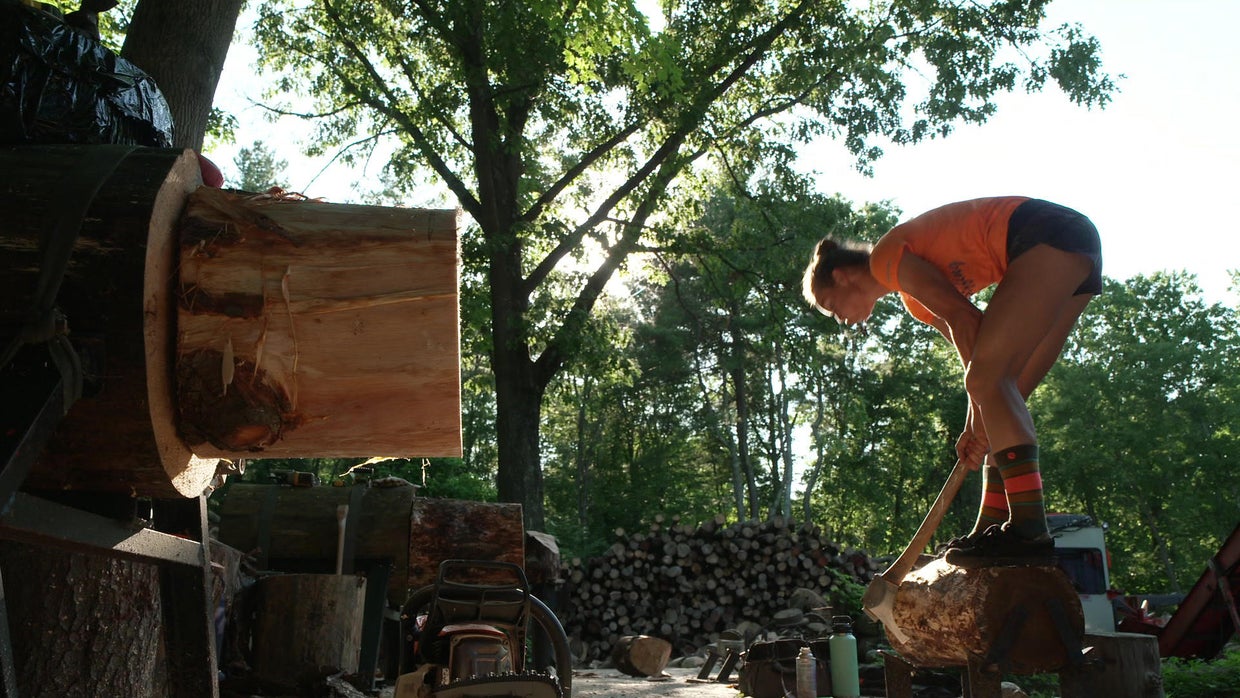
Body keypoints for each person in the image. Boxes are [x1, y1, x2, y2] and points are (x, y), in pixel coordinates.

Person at [801, 196, 1102, 567]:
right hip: (1073, 247)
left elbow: (967, 320)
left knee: (991, 389)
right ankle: (991, 526)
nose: (841, 320)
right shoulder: (916, 302)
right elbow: (970, 346)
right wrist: (973, 425)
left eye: (832, 306)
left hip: (1044, 233)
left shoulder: (885, 257)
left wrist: (975, 419)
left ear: (842, 276)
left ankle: (1029, 527)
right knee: (1002, 398)